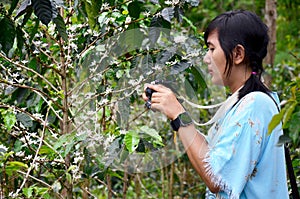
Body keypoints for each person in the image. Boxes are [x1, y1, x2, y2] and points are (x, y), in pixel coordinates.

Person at [142, 10, 289, 198]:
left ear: (237, 54)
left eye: (212, 49)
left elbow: (216, 177)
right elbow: (212, 156)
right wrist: (173, 111)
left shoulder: (255, 104)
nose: (206, 58)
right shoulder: (242, 101)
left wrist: (179, 115)